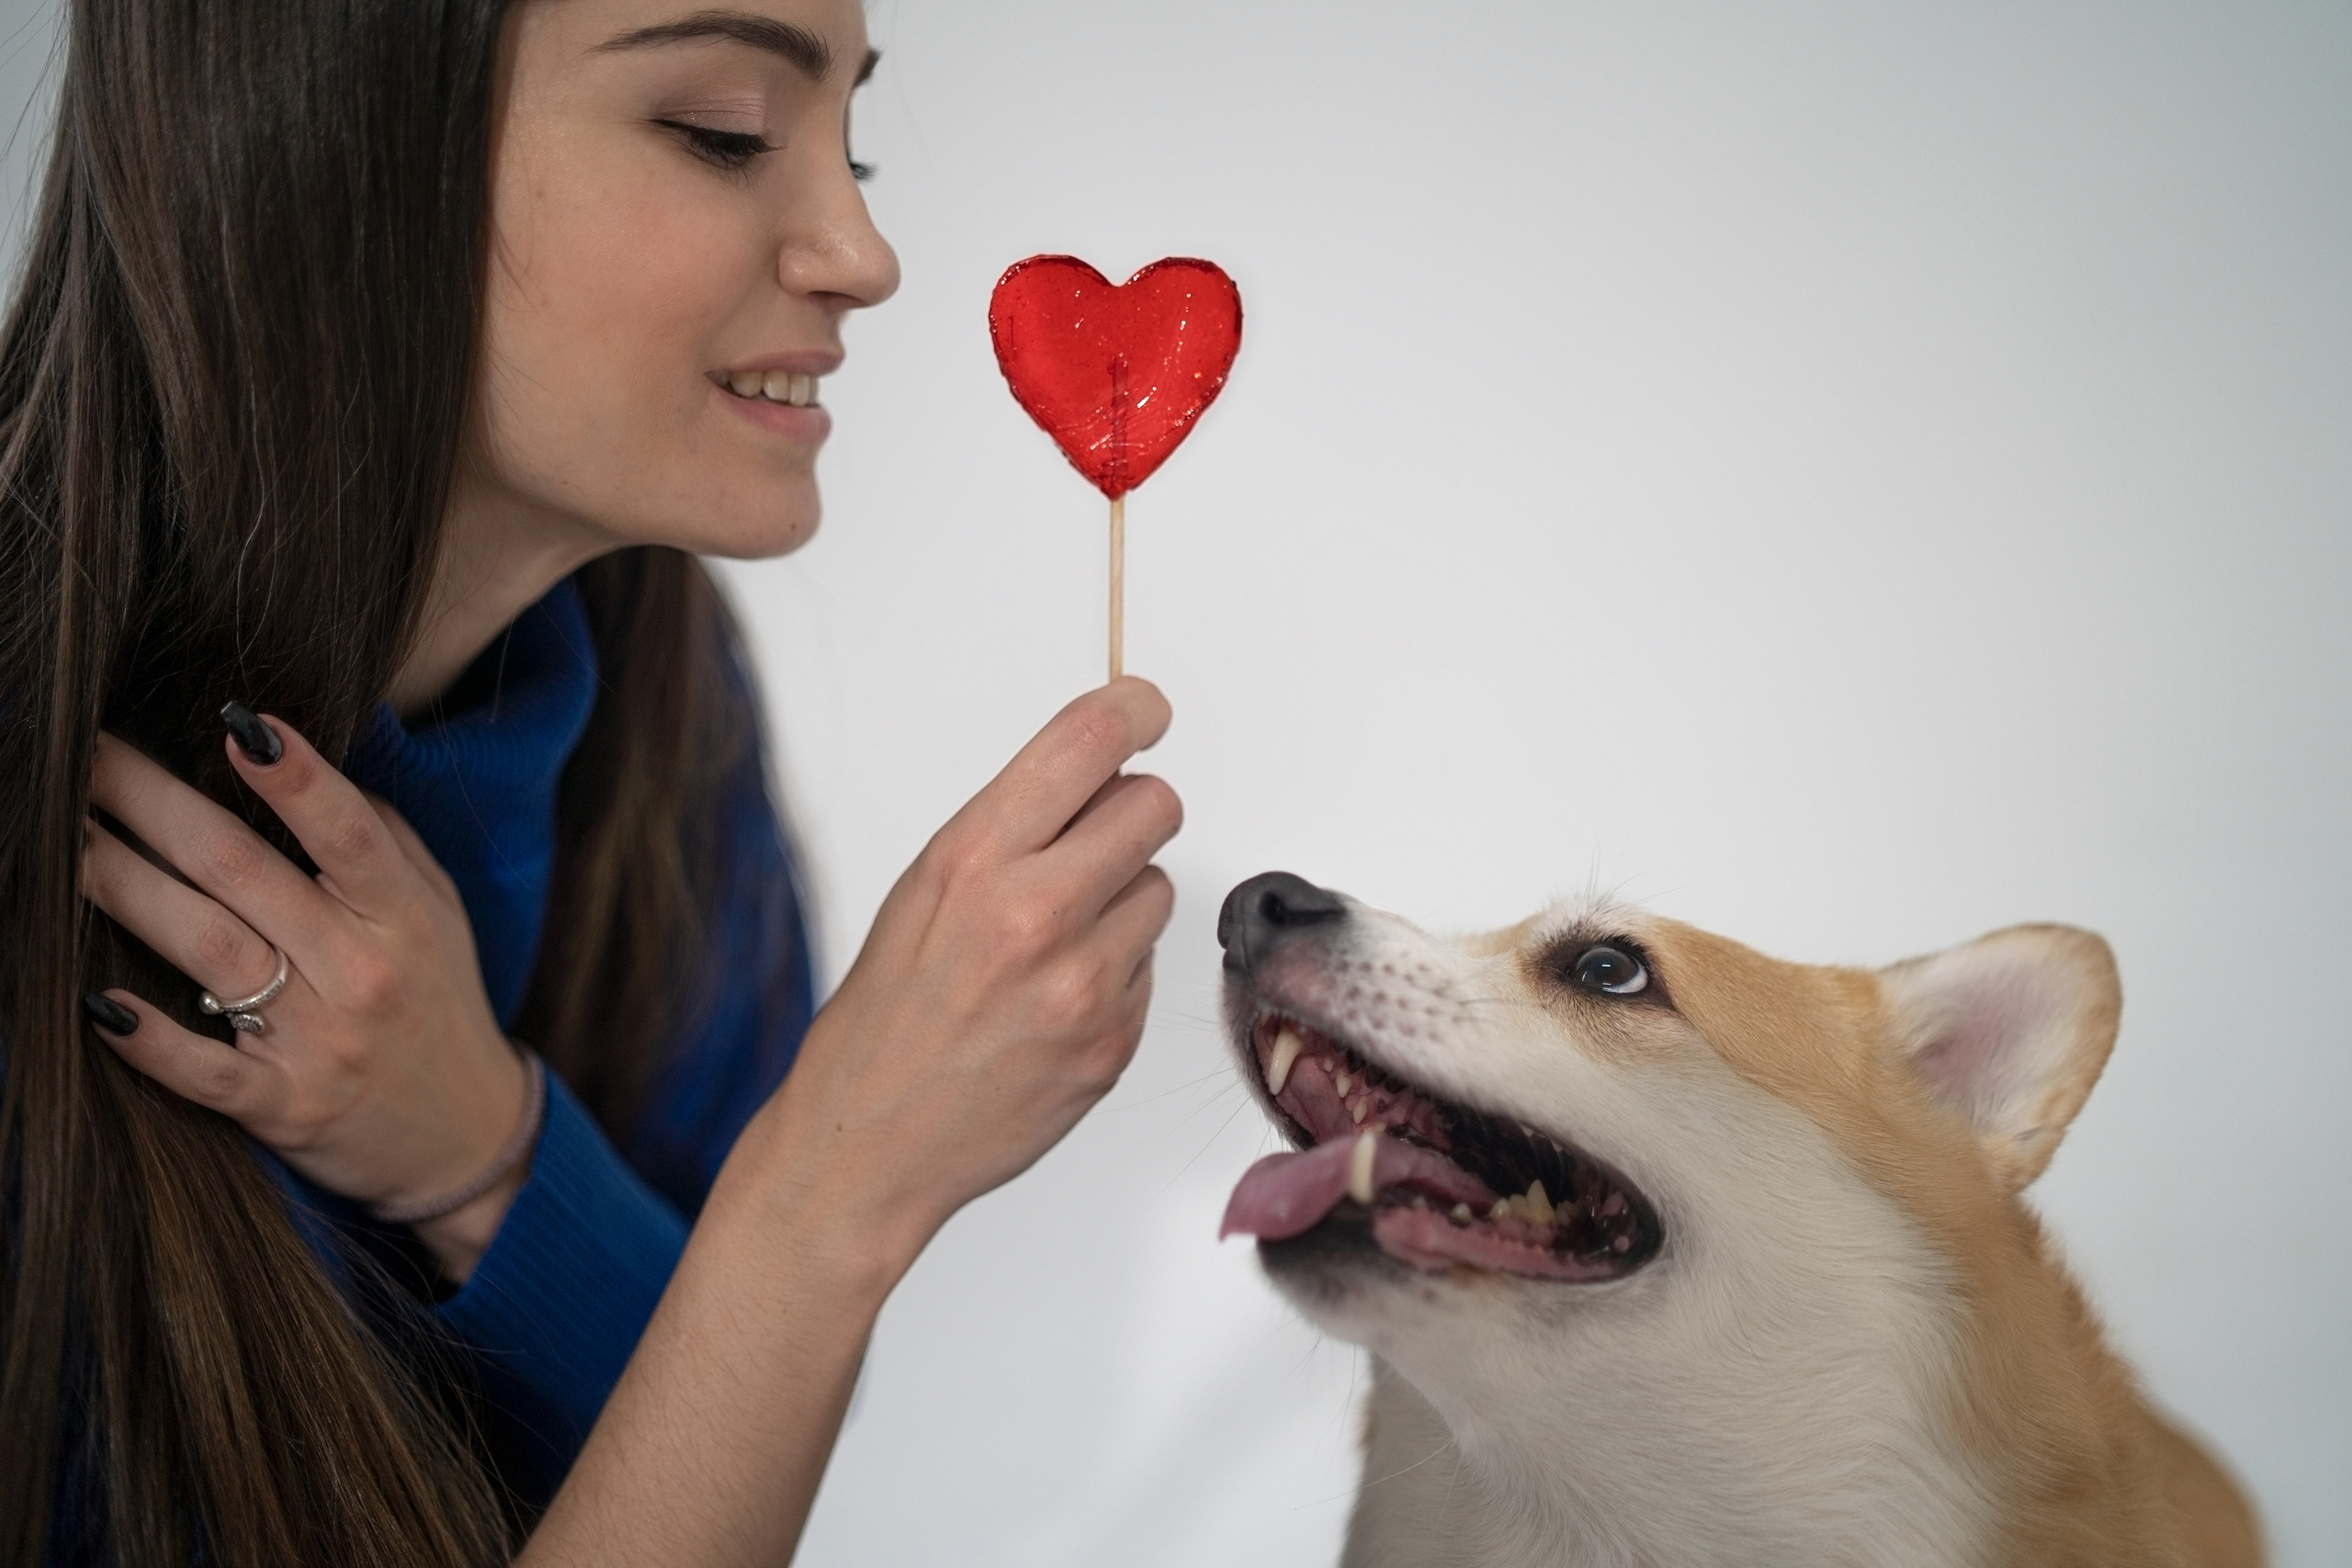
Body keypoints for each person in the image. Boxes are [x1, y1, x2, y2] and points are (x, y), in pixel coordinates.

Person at [0, 0, 1182, 1562]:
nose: (864, 249)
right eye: (726, 132)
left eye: (857, 140)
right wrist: (832, 1187)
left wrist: (488, 1149)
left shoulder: (660, 704)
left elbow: (717, 1445)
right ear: (330, 141)